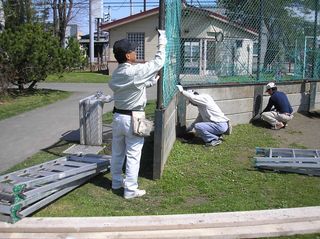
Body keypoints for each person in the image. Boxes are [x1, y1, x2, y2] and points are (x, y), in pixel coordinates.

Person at [108, 30, 167, 199]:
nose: (136, 52)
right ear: (128, 56)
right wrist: (162, 40)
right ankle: (130, 190)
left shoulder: (116, 74)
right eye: (133, 50)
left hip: (118, 117)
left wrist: (150, 82)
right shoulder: (135, 71)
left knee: (118, 152)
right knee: (133, 154)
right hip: (134, 118)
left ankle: (116, 182)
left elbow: (133, 87)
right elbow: (159, 61)